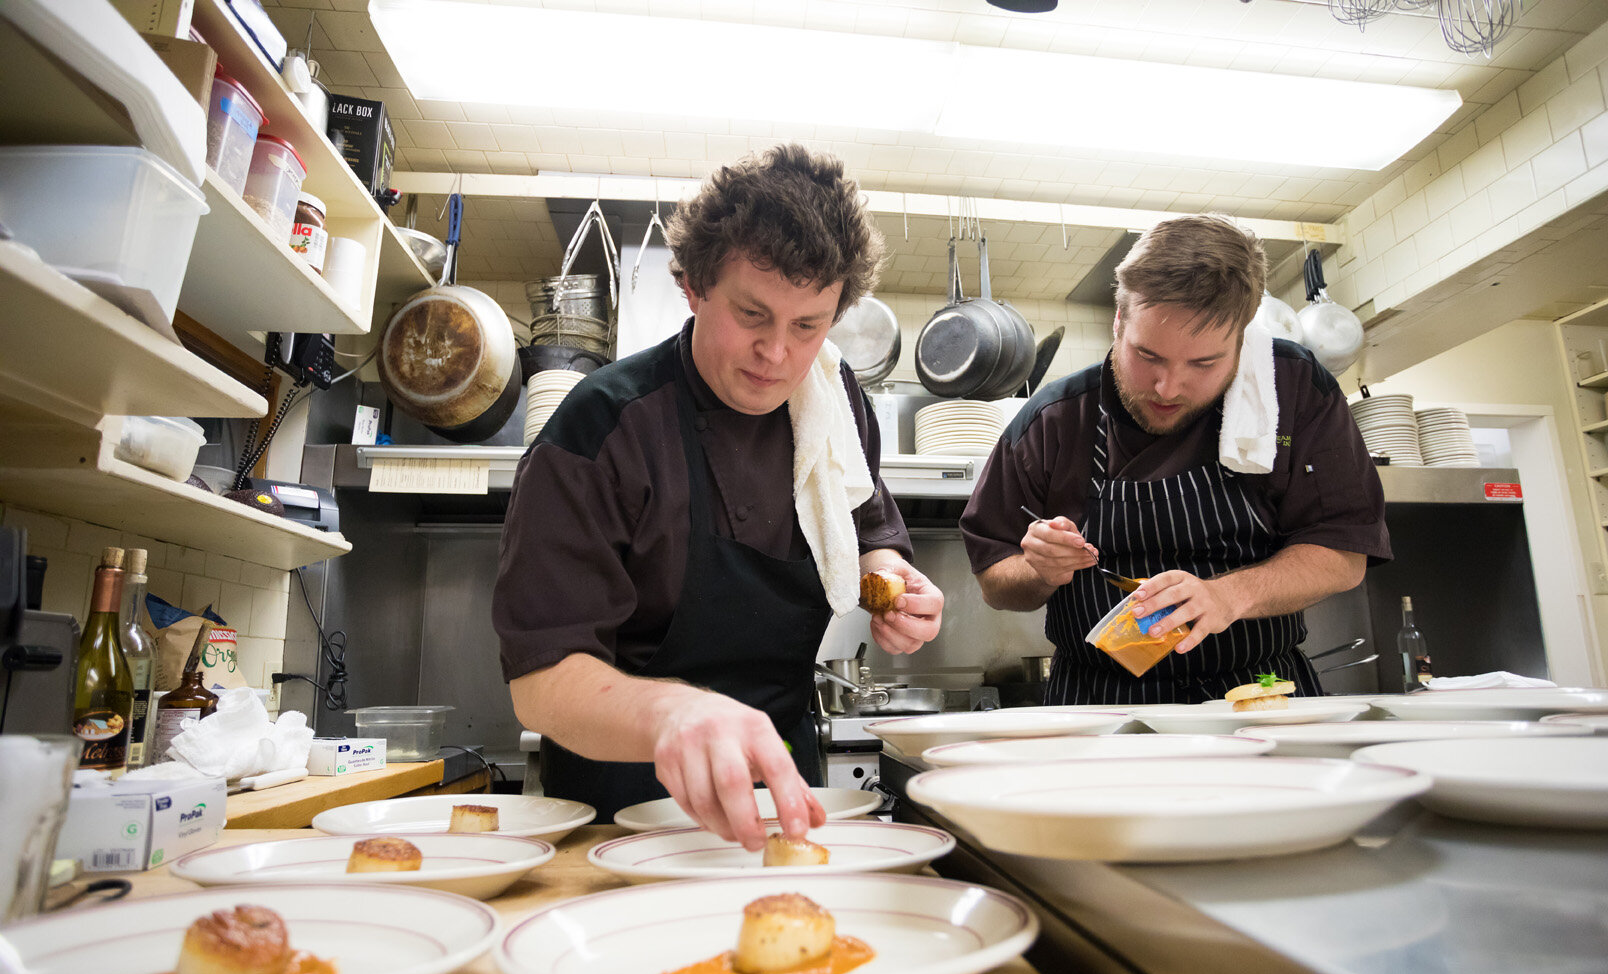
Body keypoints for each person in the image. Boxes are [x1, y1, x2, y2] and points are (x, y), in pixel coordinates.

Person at [493, 144, 943, 850]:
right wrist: (674, 713)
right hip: (627, 800)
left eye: (807, 325)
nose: (777, 354)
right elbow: (541, 680)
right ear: (694, 287)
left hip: (785, 783)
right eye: (751, 314)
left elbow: (866, 530)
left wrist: (891, 582)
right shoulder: (603, 427)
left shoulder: (834, 400)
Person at [961, 214, 1389, 706]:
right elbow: (995, 579)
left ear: (1243, 337)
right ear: (1118, 321)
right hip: (1099, 708)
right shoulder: (1055, 419)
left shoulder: (1292, 390)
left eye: (1204, 364)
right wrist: (1039, 570)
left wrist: (1228, 596)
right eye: (1148, 356)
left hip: (1258, 698)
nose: (1168, 388)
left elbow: (1343, 553)